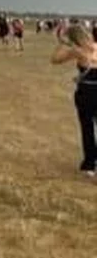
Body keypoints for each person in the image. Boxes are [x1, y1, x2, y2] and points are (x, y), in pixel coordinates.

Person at [51, 21, 97, 178]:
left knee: (87, 128)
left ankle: (90, 164)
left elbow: (55, 59)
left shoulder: (77, 51)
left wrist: (63, 42)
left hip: (86, 93)